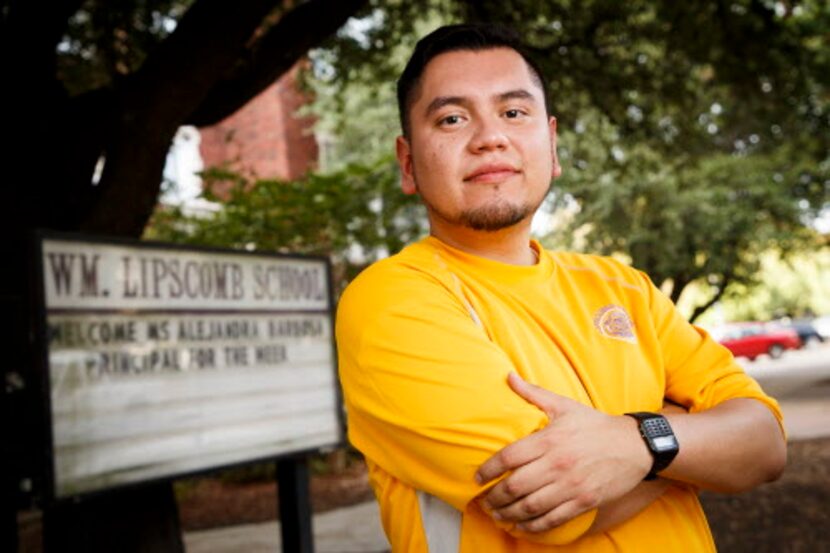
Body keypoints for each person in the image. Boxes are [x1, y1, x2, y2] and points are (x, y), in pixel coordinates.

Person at [335, 23, 786, 552]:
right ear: (408, 163)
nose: (490, 137)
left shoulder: (622, 286)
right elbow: (550, 508)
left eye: (513, 112)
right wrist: (686, 434)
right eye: (453, 118)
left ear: (551, 145)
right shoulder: (393, 300)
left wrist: (636, 443)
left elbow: (767, 445)